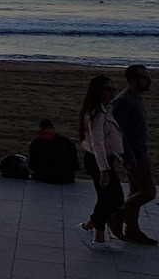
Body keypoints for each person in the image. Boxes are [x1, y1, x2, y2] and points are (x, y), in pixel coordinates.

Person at [113, 64, 158, 245]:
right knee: (148, 192)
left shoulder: (136, 98)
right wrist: (129, 156)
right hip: (133, 155)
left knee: (136, 190)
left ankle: (132, 229)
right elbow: (117, 131)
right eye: (144, 77)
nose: (148, 80)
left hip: (139, 153)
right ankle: (117, 215)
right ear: (133, 80)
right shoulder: (124, 101)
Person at [79, 75, 126, 250]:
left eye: (113, 89)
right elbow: (97, 143)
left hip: (102, 159)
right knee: (115, 199)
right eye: (108, 89)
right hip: (98, 160)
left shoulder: (103, 109)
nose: (112, 92)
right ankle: (87, 226)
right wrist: (104, 170)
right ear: (98, 91)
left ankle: (99, 239)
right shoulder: (96, 113)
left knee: (105, 198)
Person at [28, 119, 78, 184]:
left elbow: (32, 165)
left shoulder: (36, 143)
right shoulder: (67, 142)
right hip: (67, 178)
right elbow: (75, 166)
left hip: (44, 176)